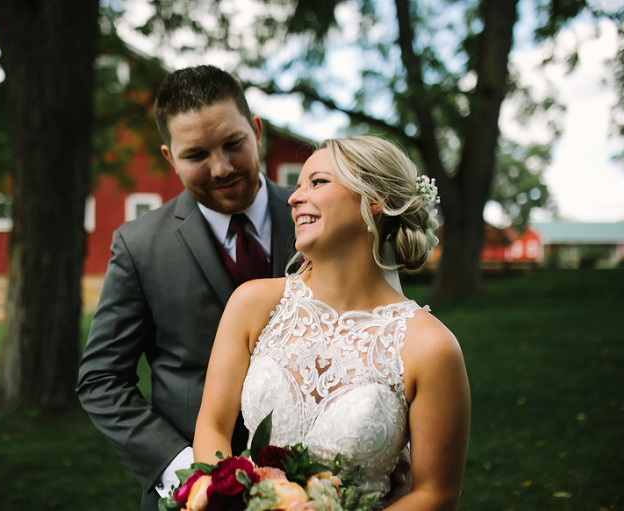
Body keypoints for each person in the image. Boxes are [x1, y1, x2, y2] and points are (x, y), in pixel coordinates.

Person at [193, 135, 471, 509]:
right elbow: (212, 427)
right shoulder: (253, 304)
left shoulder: (431, 347)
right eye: (297, 186)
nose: (293, 198)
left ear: (375, 200)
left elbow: (436, 494)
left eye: (317, 182)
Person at [76, 65, 299, 511]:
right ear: (169, 157)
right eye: (196, 155)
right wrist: (189, 474)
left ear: (256, 131)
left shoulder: (314, 217)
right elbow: (101, 379)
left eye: (233, 144)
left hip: (314, 485)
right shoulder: (138, 246)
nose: (221, 168)